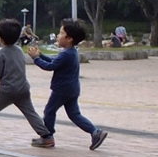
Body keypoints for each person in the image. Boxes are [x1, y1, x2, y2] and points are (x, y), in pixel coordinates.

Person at [27, 19, 108, 150]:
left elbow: (50, 66)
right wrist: (41, 55)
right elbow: (55, 61)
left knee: (49, 111)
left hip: (62, 90)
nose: (58, 36)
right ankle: (95, 132)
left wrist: (36, 58)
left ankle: (47, 137)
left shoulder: (66, 54)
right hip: (72, 89)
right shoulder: (71, 52)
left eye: (61, 33)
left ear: (69, 38)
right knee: (74, 114)